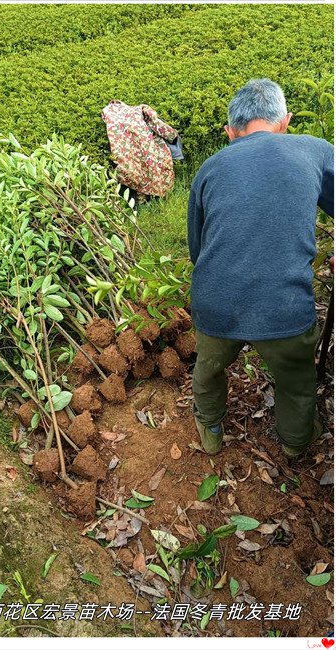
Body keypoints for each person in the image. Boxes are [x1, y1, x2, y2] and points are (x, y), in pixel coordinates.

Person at [187, 78, 334, 458]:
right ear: (285, 122)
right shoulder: (316, 151)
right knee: (297, 381)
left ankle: (210, 428)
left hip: (216, 302)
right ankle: (295, 443)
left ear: (230, 132)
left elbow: (197, 248)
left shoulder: (209, 167)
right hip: (284, 305)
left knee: (208, 370)